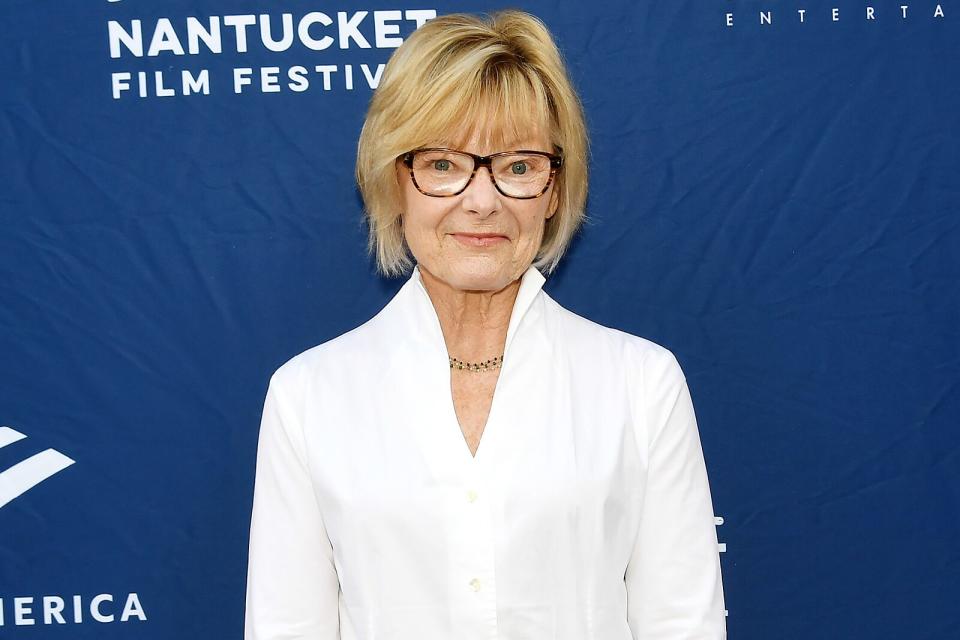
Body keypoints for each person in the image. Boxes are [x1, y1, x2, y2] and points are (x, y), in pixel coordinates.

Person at [244, 9, 726, 640]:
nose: (482, 200)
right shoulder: (308, 394)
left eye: (518, 166)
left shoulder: (641, 383)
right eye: (444, 164)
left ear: (554, 190)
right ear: (396, 183)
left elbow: (682, 624)